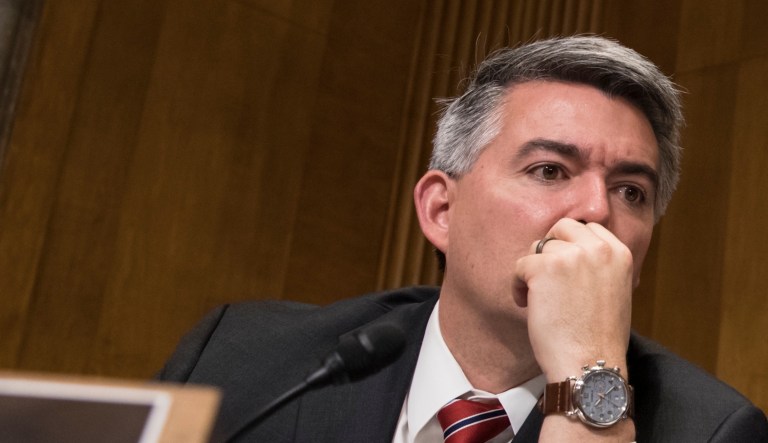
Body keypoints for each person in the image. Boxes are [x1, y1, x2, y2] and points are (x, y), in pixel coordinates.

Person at [158, 36, 768, 442]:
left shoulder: (712, 431)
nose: (595, 210)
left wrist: (587, 377)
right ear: (441, 210)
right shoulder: (240, 360)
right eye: (549, 170)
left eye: (632, 191)